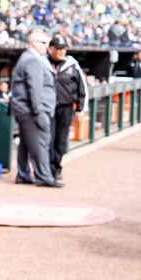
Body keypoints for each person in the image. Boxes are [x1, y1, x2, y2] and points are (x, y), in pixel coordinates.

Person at [11, 31, 62, 187]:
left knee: (26, 144)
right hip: (32, 110)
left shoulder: (29, 58)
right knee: (41, 143)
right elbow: (35, 89)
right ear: (34, 43)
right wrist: (39, 111)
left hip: (26, 109)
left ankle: (23, 174)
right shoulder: (32, 59)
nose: (47, 47)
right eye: (43, 43)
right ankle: (44, 176)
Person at [46, 35, 88, 181]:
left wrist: (80, 109)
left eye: (63, 49)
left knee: (60, 139)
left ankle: (56, 168)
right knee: (48, 139)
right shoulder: (43, 62)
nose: (61, 52)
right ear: (51, 49)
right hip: (47, 107)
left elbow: (83, 88)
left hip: (66, 107)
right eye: (58, 49)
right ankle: (47, 169)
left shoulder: (71, 64)